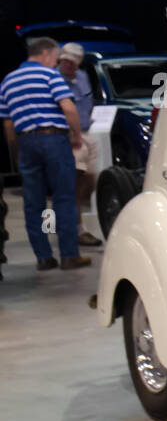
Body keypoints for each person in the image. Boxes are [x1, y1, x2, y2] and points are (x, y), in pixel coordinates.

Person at [0, 36, 90, 270]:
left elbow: (8, 125)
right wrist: (76, 136)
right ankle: (69, 255)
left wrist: (17, 150)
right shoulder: (50, 75)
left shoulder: (8, 80)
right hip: (54, 139)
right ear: (47, 54)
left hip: (25, 142)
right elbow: (68, 108)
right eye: (55, 57)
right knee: (63, 197)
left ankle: (44, 256)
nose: (56, 62)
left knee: (35, 202)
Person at [57, 42, 101, 246]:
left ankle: (71, 217)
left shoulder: (83, 77)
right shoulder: (55, 79)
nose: (68, 65)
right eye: (65, 61)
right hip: (70, 136)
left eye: (72, 62)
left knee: (92, 178)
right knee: (75, 181)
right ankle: (77, 229)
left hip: (87, 133)